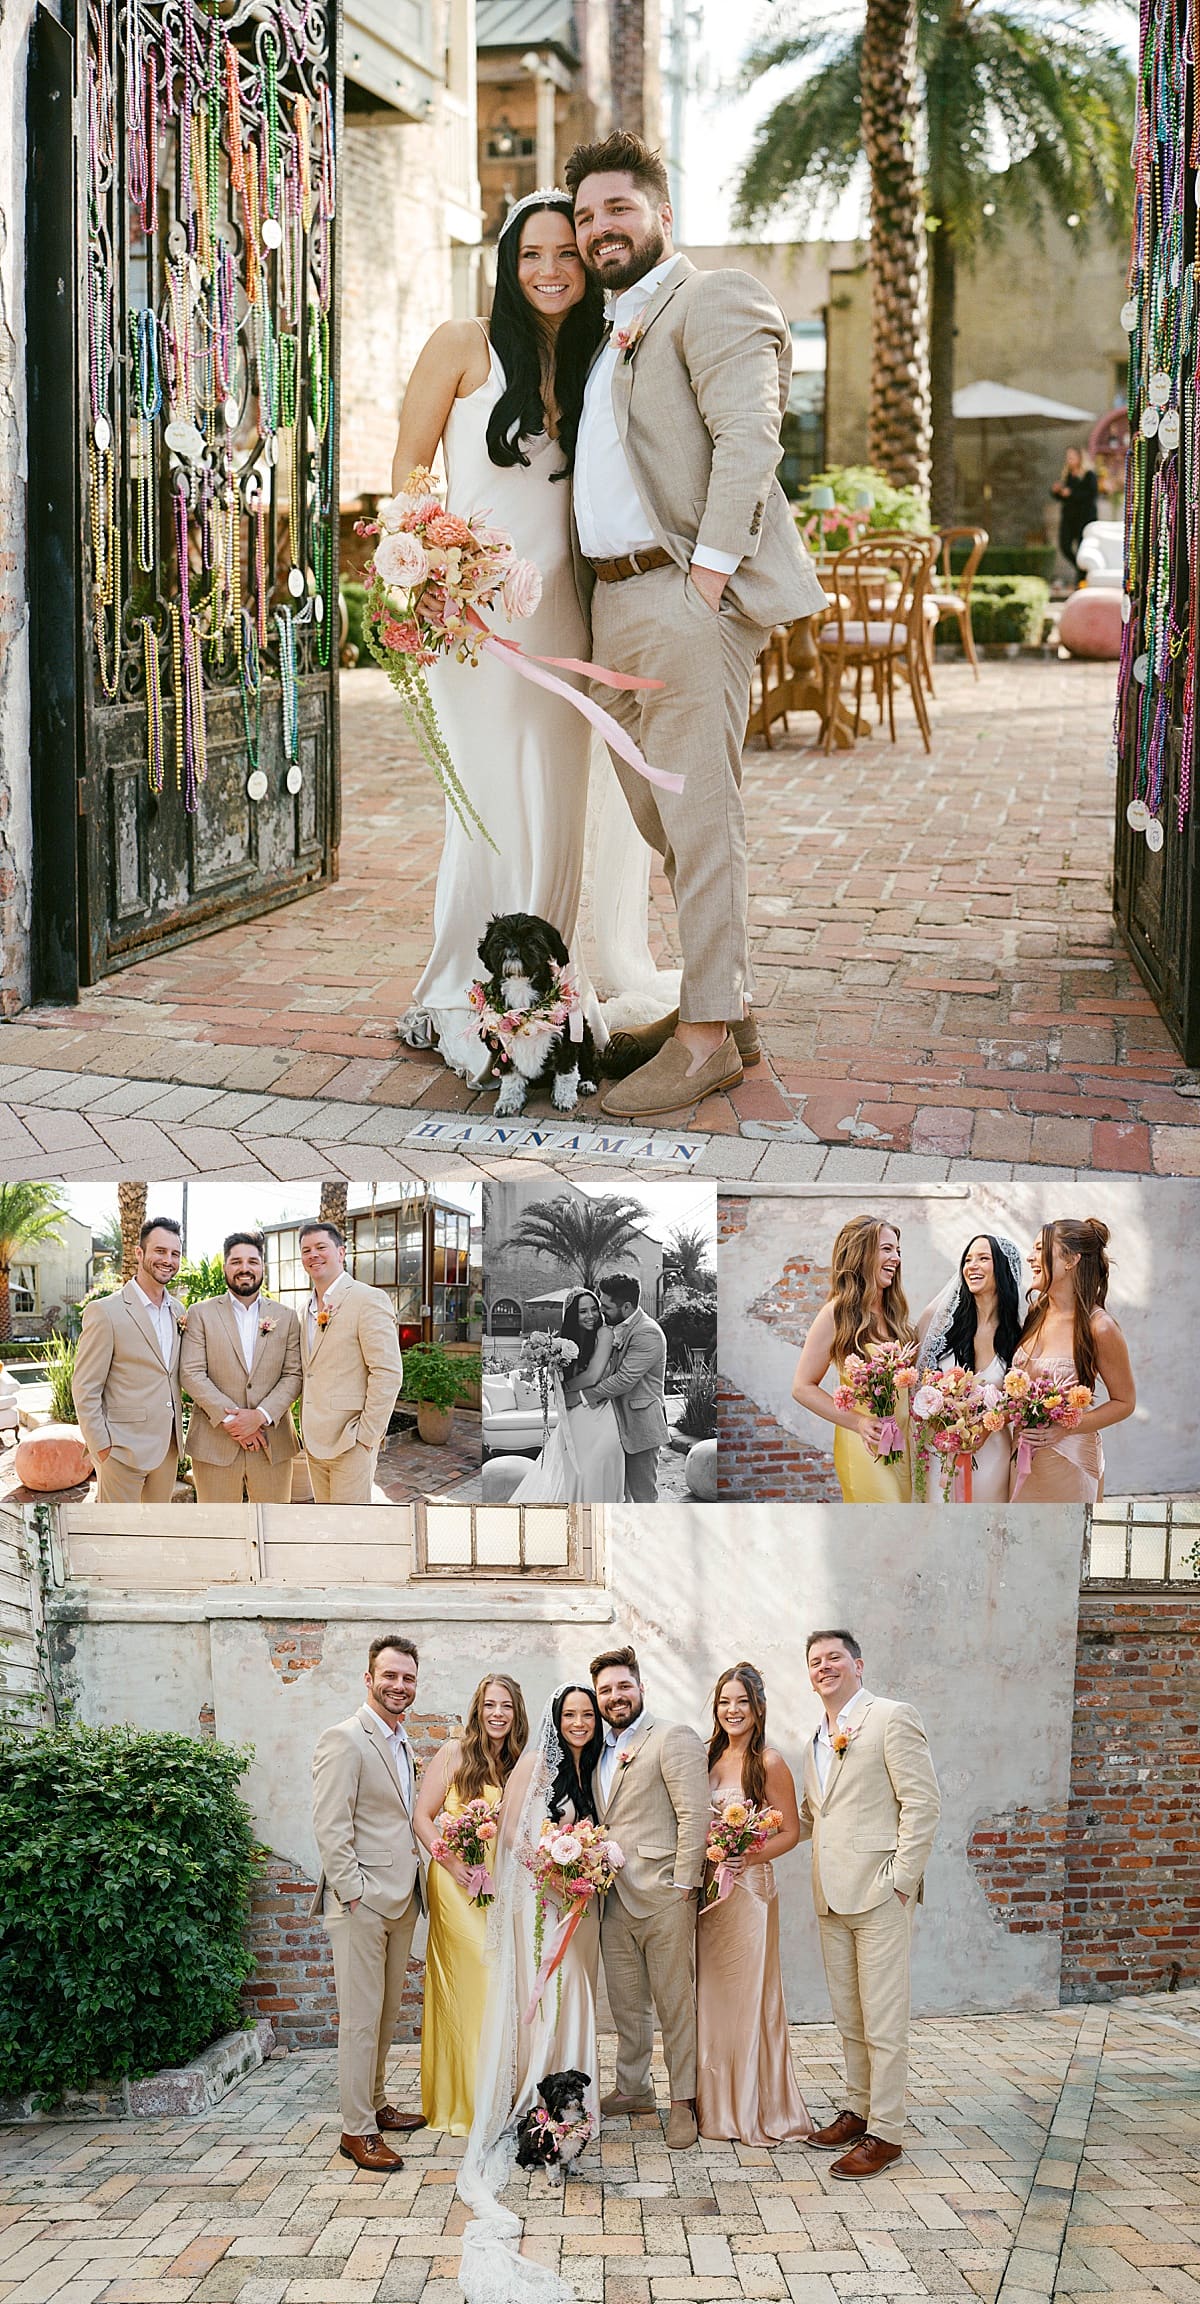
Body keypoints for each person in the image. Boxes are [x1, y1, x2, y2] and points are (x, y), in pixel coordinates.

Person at [563, 130, 828, 1120]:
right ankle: (733, 1006)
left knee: (702, 823)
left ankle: (706, 1040)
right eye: (586, 216)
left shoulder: (710, 296)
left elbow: (751, 436)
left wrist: (706, 580)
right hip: (615, 603)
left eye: (617, 209)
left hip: (680, 594)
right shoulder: (612, 329)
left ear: (662, 213)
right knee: (661, 818)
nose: (599, 229)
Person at [392, 192, 670, 1083]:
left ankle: (548, 988)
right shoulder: (460, 343)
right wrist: (430, 556)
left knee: (557, 802)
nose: (549, 269)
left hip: (563, 617)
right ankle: (464, 982)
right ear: (507, 264)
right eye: (530, 254)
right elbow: (407, 468)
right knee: (486, 809)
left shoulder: (595, 358)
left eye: (567, 254)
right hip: (473, 618)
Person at [456, 1684, 606, 2304]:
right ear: (554, 1720)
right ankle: (537, 2101)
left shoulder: (588, 1766)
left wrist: (589, 1861)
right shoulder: (541, 1765)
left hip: (568, 1902)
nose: (577, 1723)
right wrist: (556, 1864)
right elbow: (514, 1835)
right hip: (541, 1906)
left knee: (572, 1996)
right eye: (568, 1714)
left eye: (586, 1715)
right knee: (550, 1996)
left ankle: (568, 2101)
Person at [798, 1629, 941, 2179]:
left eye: (834, 1657)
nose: (824, 1666)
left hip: (880, 1893)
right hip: (830, 1896)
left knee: (883, 2018)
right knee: (850, 2015)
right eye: (815, 1661)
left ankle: (887, 2131)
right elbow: (818, 1816)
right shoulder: (815, 1735)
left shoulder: (891, 1717)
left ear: (859, 1664)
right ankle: (858, 2109)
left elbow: (922, 1804)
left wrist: (901, 1880)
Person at [310, 1633, 427, 2172]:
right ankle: (355, 2131)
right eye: (390, 1676)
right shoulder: (345, 1739)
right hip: (362, 1904)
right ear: (369, 1678)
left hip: (401, 1899)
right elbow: (331, 1829)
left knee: (383, 2017)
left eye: (407, 1677)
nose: (399, 1685)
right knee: (358, 2020)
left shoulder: (402, 1741)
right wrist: (355, 1895)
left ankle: (376, 2104)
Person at [590, 1644, 709, 2149]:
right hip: (612, 1898)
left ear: (641, 1688)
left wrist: (685, 1885)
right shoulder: (595, 1746)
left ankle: (684, 2101)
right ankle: (634, 2089)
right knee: (626, 2003)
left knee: (674, 2002)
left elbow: (694, 1815)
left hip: (664, 1894)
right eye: (605, 1690)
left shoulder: (673, 1737)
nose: (615, 1696)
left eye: (623, 1686)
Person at [695, 1664, 810, 2145]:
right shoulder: (705, 1758)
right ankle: (714, 2105)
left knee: (749, 1997)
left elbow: (791, 1831)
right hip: (710, 1894)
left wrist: (748, 1852)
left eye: (741, 1701)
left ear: (758, 1706)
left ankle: (752, 2107)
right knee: (713, 1998)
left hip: (750, 1892)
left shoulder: (770, 1762)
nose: (732, 1710)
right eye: (724, 1701)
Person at [414, 1674, 529, 2134]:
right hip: (455, 1884)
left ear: (516, 1713)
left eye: (506, 1706)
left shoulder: (519, 1764)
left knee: (500, 1984)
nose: (497, 1714)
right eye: (489, 1705)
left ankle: (496, 2093)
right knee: (470, 1983)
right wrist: (453, 1863)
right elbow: (422, 1818)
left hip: (498, 1885)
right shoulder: (454, 1754)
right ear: (477, 1710)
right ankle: (463, 2101)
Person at [1008, 1217, 1136, 1501]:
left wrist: (1064, 1428)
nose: (1030, 1257)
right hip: (1022, 1458)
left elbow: (1125, 1403)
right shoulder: (1036, 1312)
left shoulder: (1099, 1327)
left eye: (1040, 1248)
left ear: (1071, 1260)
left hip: (1068, 1460)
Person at [791, 1217, 917, 1503]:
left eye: (898, 1250)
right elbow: (802, 1387)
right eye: (886, 1249)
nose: (896, 1258)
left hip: (902, 1445)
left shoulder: (894, 1314)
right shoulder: (837, 1313)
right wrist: (859, 1423)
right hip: (865, 1446)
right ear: (863, 1254)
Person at [180, 1231, 302, 1503]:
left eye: (252, 1261)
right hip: (215, 1445)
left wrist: (260, 1416)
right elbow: (191, 1372)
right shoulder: (200, 1313)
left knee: (273, 1529)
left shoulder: (287, 1317)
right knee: (219, 1530)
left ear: (262, 1267)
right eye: (236, 1262)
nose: (244, 1268)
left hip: (272, 1443)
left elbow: (293, 1375)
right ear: (225, 1267)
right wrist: (234, 1423)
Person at [72, 1215, 186, 1503]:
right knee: (117, 1537)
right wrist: (102, 1448)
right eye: (160, 1251)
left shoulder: (178, 1309)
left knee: (155, 1533)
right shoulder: (106, 1311)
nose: (168, 1260)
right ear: (139, 1253)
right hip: (121, 1451)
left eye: (175, 1254)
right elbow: (85, 1387)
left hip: (168, 1449)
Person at [297, 1220, 404, 1504]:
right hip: (314, 1439)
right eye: (306, 1250)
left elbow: (388, 1372)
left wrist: (367, 1437)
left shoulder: (367, 1299)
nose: (313, 1255)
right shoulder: (303, 1310)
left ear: (341, 1252)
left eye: (321, 1247)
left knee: (351, 1529)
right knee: (327, 1522)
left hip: (351, 1441)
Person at [914, 1233, 1024, 1504]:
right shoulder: (938, 1322)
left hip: (992, 1455)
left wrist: (986, 1426)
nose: (971, 1266)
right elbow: (916, 1384)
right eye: (968, 1259)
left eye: (983, 1258)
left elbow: (1021, 1399)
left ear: (1002, 1267)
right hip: (942, 1453)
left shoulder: (1020, 1333)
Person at [512, 1290, 626, 1502]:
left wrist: (566, 1389)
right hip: (574, 1416)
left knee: (595, 1470)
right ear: (573, 1315)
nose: (590, 1315)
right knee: (573, 1473)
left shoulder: (604, 1334)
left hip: (600, 1412)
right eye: (583, 1311)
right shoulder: (563, 1344)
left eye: (594, 1309)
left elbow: (593, 1376)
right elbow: (558, 1380)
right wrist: (549, 1363)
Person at [578, 1274, 669, 1503]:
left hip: (640, 1426)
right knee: (621, 1495)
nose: (601, 1312)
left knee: (642, 1496)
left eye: (606, 1306)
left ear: (626, 1307)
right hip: (614, 1424)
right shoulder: (616, 1326)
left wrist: (581, 1396)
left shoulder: (648, 1332)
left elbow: (624, 1379)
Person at [1051, 447, 1099, 579]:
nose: (1069, 460)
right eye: (1068, 457)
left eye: (1072, 457)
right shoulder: (1067, 475)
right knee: (1064, 545)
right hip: (1069, 518)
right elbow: (1064, 497)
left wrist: (1072, 493)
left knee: (1081, 548)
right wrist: (1057, 492)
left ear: (1080, 458)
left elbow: (1091, 495)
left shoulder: (1089, 475)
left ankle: (1081, 578)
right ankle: (1081, 571)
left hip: (1084, 517)